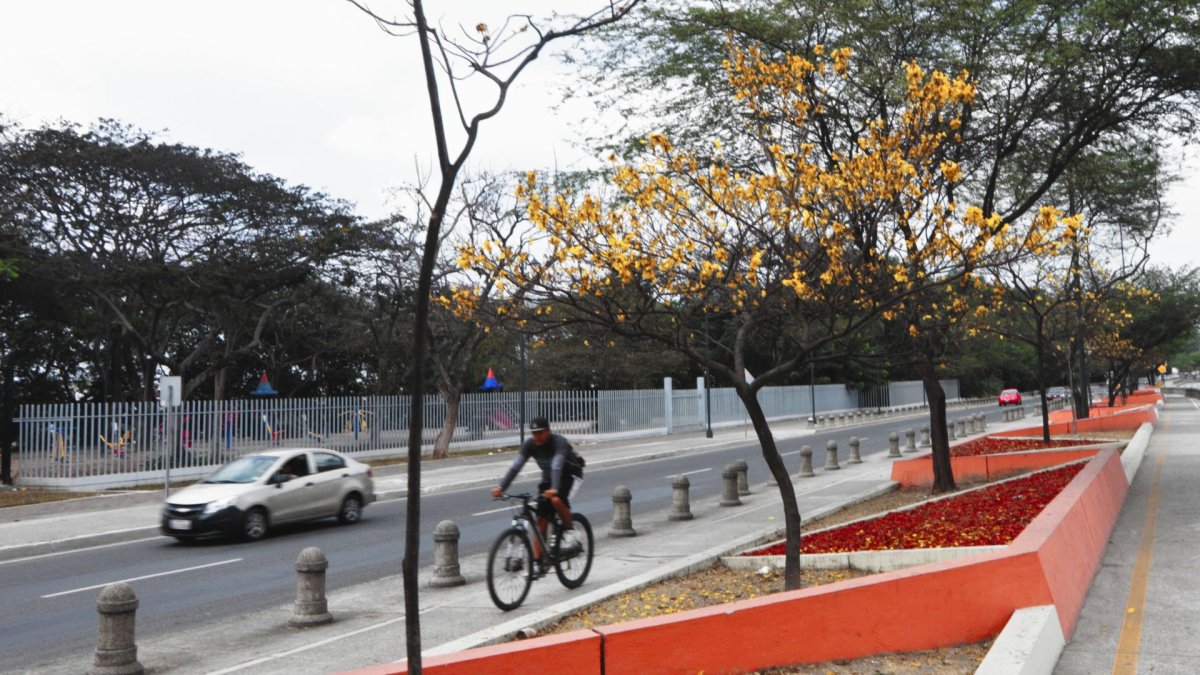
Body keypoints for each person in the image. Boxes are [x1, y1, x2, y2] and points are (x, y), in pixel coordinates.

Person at [491, 416, 583, 569]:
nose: (537, 437)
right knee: (541, 518)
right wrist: (502, 488)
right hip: (549, 478)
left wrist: (554, 488)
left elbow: (557, 465)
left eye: (540, 433)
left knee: (556, 500)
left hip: (571, 475)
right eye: (534, 433)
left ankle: (570, 532)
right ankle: (538, 563)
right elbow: (516, 466)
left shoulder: (559, 442)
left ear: (548, 431)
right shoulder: (530, 444)